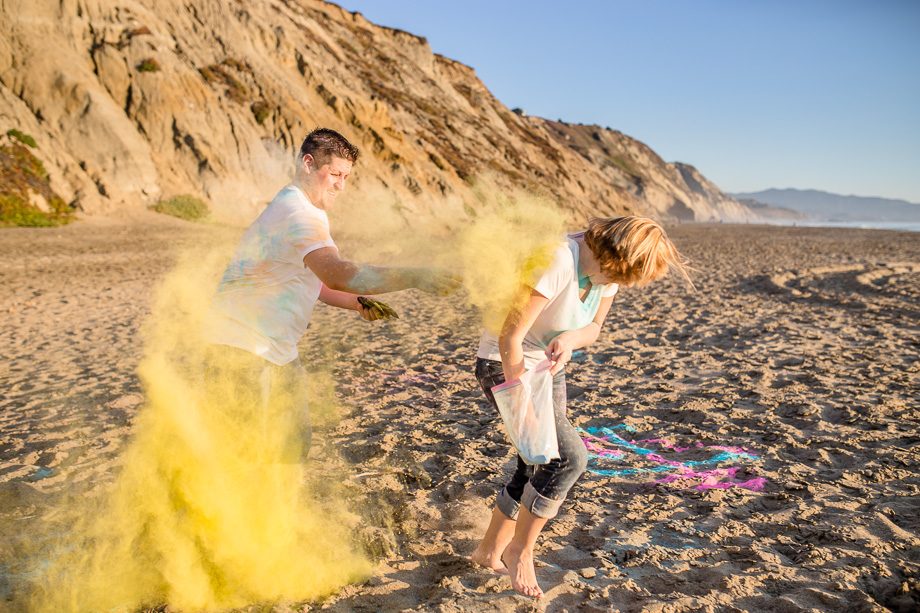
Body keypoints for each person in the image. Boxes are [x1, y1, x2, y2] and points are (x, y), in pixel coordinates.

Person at [202, 128, 462, 461]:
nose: (341, 184)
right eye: (335, 174)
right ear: (308, 164)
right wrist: (415, 276)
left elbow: (315, 282)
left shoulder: (298, 206)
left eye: (347, 176)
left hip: (274, 346)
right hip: (240, 348)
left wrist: (357, 303)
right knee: (242, 453)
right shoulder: (299, 215)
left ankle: (278, 509)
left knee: (292, 444)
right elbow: (337, 274)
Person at [470, 216, 692, 598]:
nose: (626, 283)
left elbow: (594, 328)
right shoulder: (556, 259)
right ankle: (520, 551)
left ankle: (488, 551)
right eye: (629, 274)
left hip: (547, 363)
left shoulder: (610, 276)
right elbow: (510, 336)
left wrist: (571, 339)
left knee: (534, 459)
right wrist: (521, 401)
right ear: (618, 256)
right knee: (568, 458)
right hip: (504, 365)